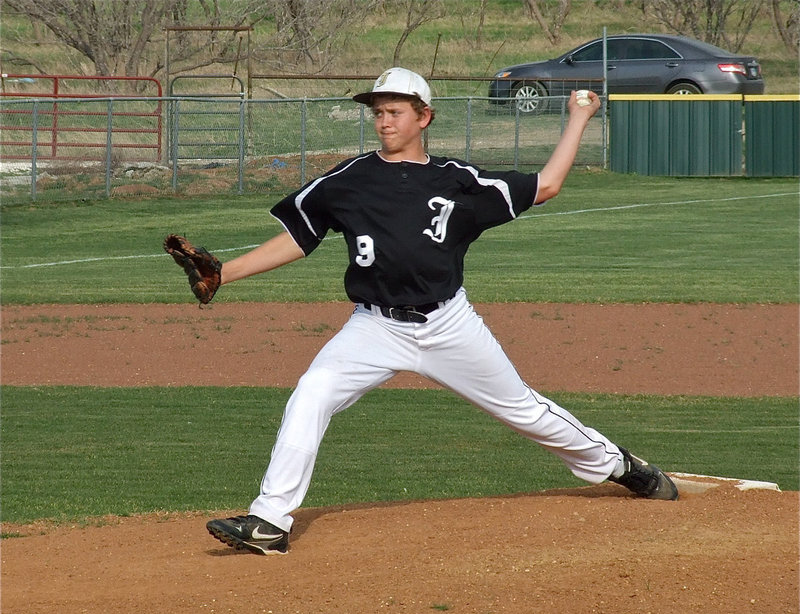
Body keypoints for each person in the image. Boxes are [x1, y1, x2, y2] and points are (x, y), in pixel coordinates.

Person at [205, 67, 678, 556]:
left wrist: (578, 118)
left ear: (424, 117)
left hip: (448, 325)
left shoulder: (459, 180)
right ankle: (270, 521)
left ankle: (619, 465)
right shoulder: (347, 180)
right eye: (378, 113)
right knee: (312, 393)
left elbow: (547, 185)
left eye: (394, 112)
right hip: (373, 327)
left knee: (524, 411)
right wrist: (223, 273)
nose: (384, 122)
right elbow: (299, 238)